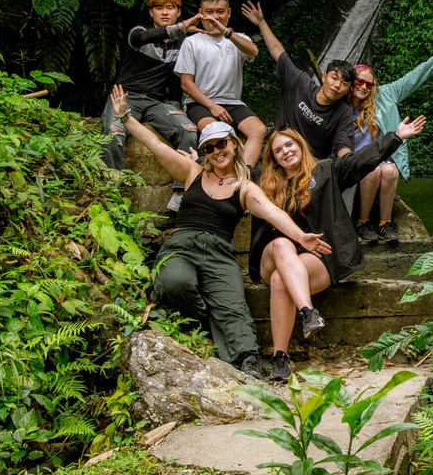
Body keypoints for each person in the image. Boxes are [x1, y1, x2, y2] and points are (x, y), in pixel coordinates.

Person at [109, 85, 331, 379]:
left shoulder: (245, 186)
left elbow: (274, 213)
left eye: (221, 144)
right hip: (181, 244)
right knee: (175, 281)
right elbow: (156, 145)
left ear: (234, 143)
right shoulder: (192, 172)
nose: (216, 152)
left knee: (233, 304)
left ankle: (248, 359)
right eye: (209, 148)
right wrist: (126, 118)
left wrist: (300, 237)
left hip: (218, 251)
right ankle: (201, 323)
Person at [249, 115, 426, 380]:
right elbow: (229, 172)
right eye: (278, 150)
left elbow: (361, 160)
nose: (286, 152)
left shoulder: (326, 171)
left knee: (279, 281)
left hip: (313, 259)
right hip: (272, 256)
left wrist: (395, 137)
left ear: (300, 146)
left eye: (289, 145)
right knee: (283, 244)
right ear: (273, 158)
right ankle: (307, 312)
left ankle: (279, 359)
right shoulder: (263, 181)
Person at [349, 40, 433, 244]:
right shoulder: (341, 103)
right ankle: (363, 222)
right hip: (352, 162)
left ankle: (385, 223)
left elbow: (415, 77)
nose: (364, 87)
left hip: (381, 159)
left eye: (369, 84)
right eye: (359, 82)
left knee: (388, 170)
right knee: (372, 169)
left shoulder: (386, 94)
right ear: (351, 82)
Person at [101, 0, 201, 212]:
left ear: (177, 11)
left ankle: (180, 193)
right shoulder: (139, 31)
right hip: (126, 96)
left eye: (170, 8)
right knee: (114, 134)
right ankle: (111, 195)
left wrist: (176, 110)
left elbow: (176, 80)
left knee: (187, 129)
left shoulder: (183, 43)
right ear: (151, 12)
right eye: (159, 8)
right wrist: (182, 26)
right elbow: (144, 37)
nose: (164, 12)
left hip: (157, 102)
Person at [239, 1, 355, 160]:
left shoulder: (343, 113)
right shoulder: (301, 83)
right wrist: (261, 22)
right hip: (278, 154)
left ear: (348, 90)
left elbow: (343, 146)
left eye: (344, 84)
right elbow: (278, 53)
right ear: (324, 76)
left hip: (309, 167)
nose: (337, 85)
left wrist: (348, 162)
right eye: (334, 78)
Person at [175, 0, 267, 166]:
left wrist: (227, 33)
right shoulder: (192, 42)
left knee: (259, 129)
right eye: (209, 12)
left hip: (232, 103)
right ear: (201, 14)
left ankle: (243, 177)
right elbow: (186, 84)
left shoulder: (238, 39)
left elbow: (253, 51)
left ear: (229, 13)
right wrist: (212, 106)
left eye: (220, 12)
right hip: (200, 104)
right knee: (216, 132)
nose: (215, 17)